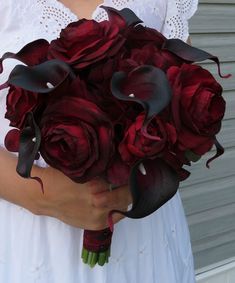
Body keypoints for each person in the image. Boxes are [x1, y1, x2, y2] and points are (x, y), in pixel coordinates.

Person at [0, 0, 198, 282]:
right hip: (29, 240)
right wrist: (41, 198)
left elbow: (187, 106)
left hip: (143, 236)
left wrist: (150, 159)